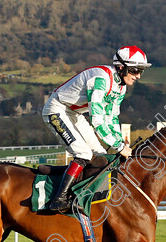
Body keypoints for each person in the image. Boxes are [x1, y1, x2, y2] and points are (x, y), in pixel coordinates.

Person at [41, 45, 150, 213]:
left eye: (141, 71)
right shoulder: (101, 79)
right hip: (57, 110)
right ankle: (59, 199)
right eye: (135, 70)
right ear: (121, 67)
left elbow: (111, 118)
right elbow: (98, 121)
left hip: (75, 113)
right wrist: (119, 147)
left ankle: (84, 196)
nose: (138, 76)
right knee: (83, 153)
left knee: (100, 154)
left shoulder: (121, 86)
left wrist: (120, 141)